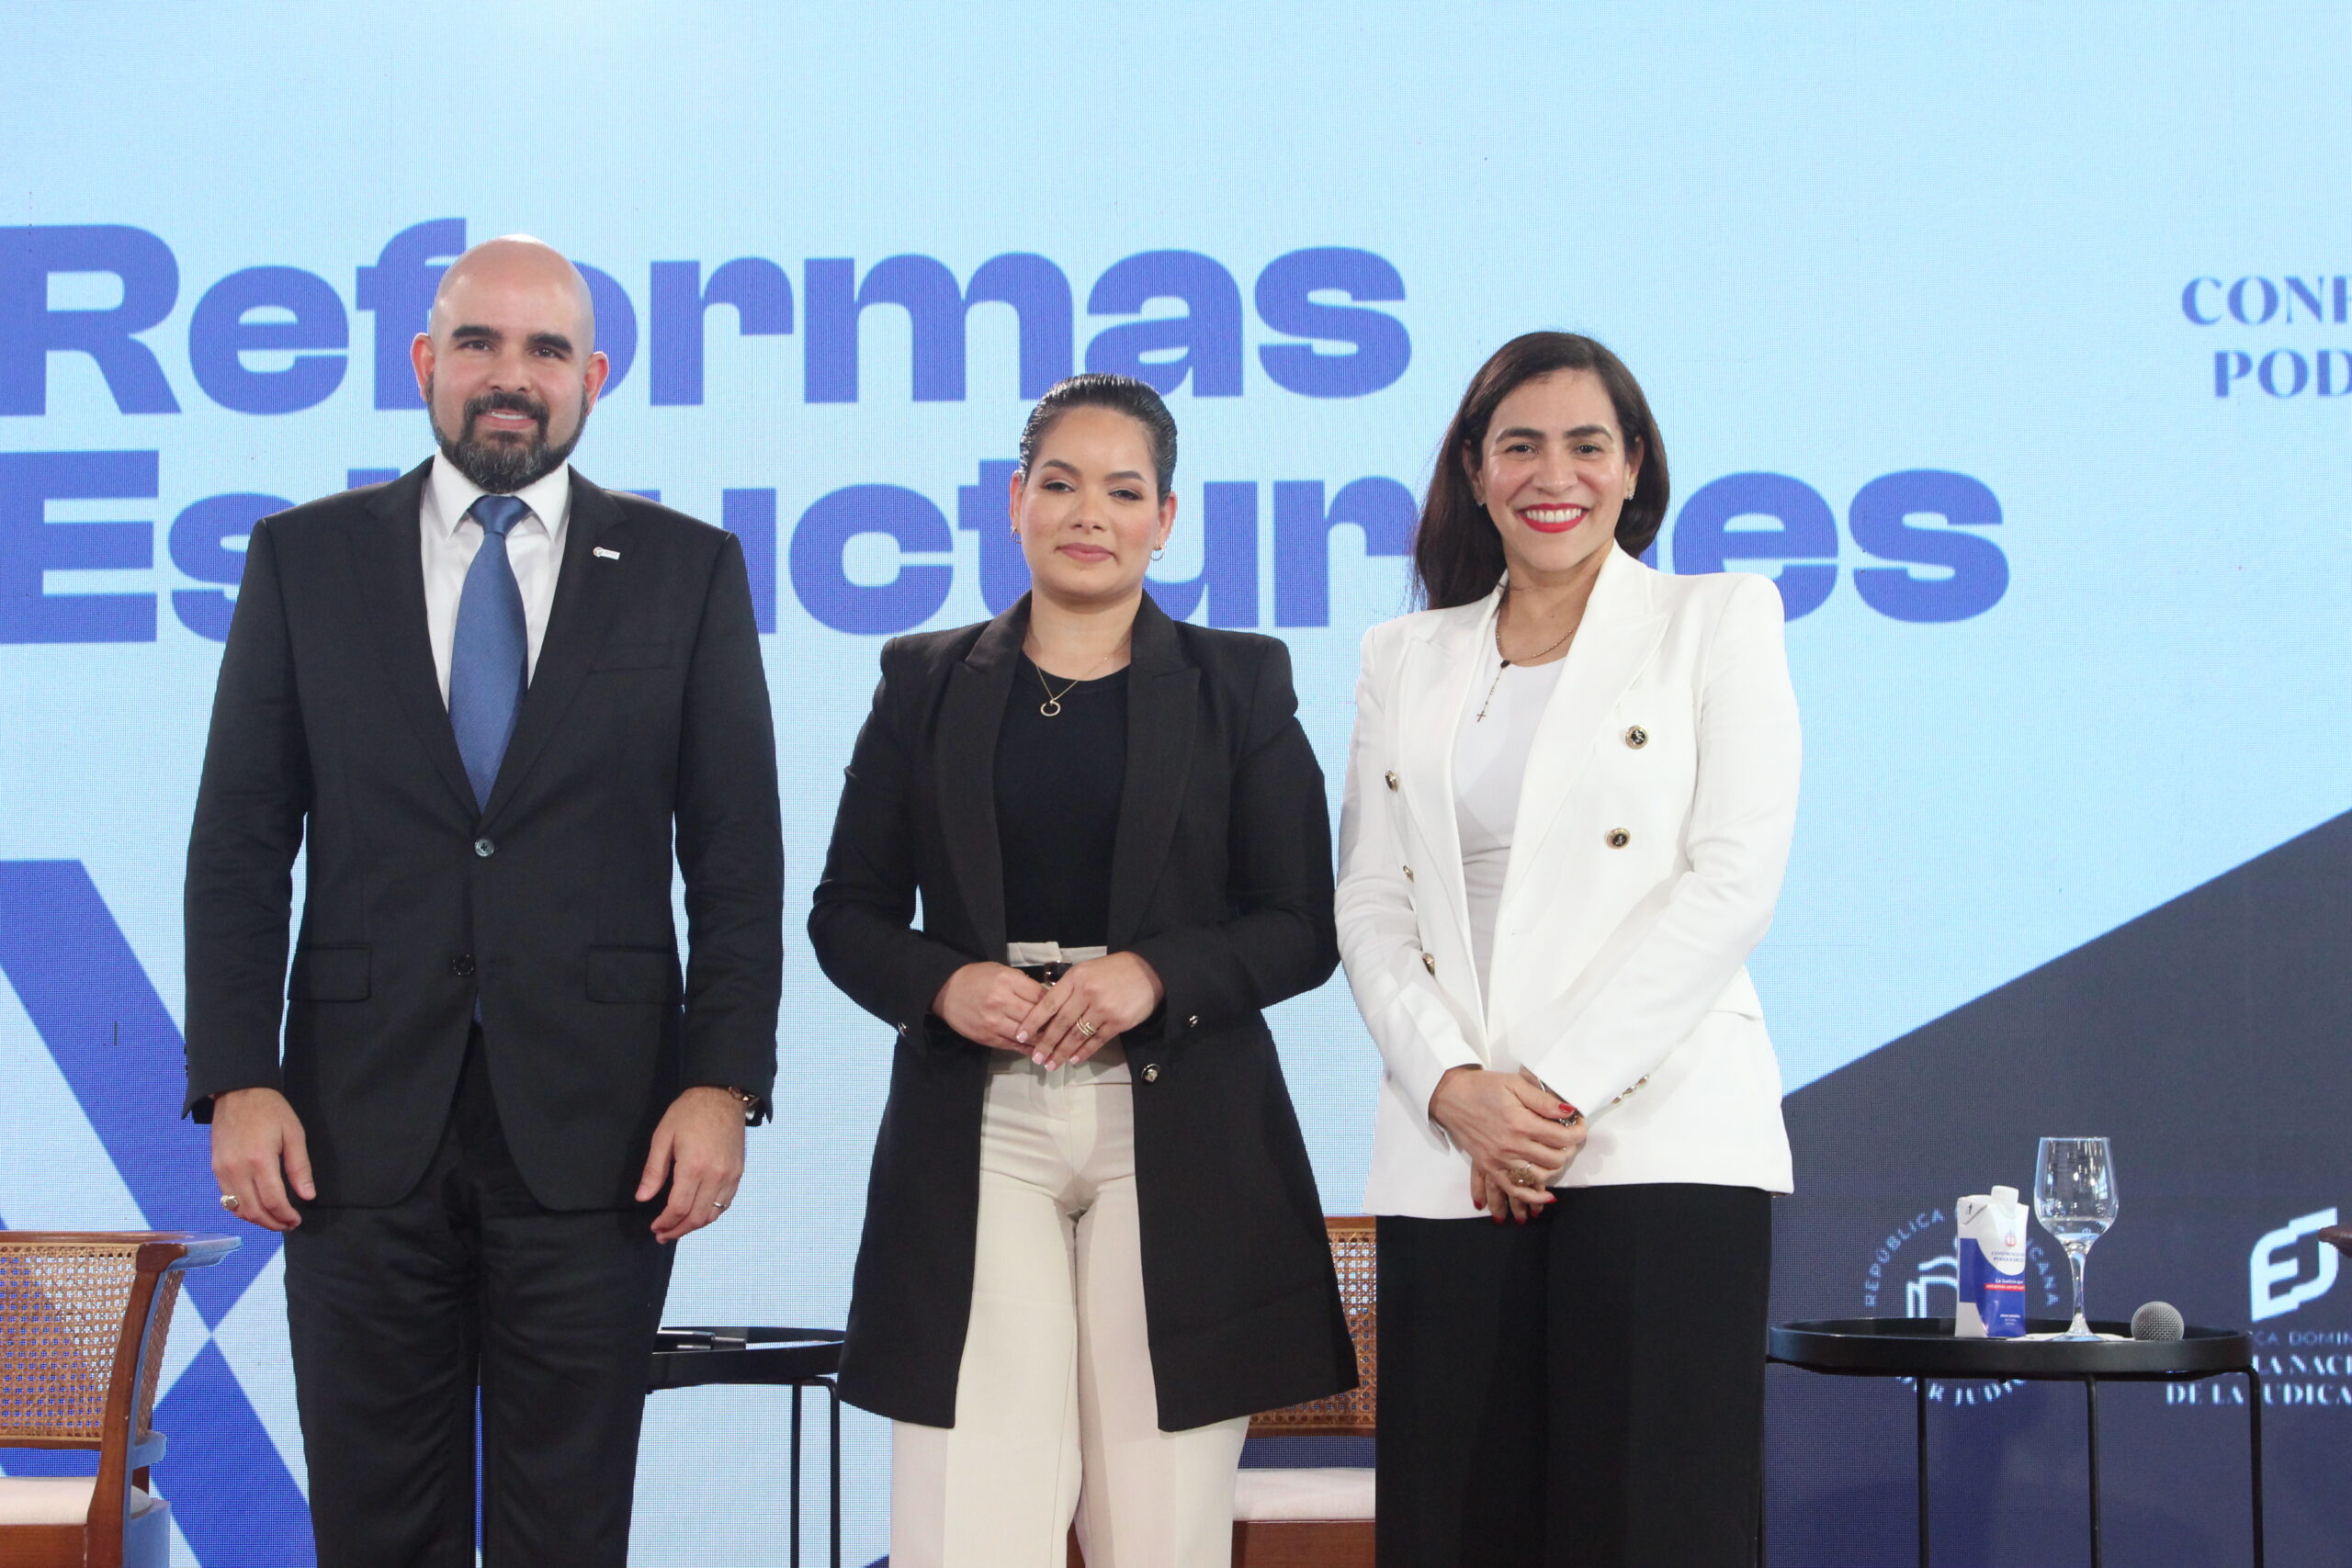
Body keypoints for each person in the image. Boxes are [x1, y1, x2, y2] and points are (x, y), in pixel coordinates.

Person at [183, 235, 783, 1567]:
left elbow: (736, 856)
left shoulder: (687, 570)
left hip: (604, 1131)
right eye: (480, 343)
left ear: (594, 378)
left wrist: (722, 1082)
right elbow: (239, 842)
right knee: (374, 1530)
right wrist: (236, 1076)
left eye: (545, 349)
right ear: (425, 362)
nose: (512, 376)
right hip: (348, 1127)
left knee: (566, 1530)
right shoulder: (303, 558)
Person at [810, 373, 1356, 1568]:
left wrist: (1154, 975)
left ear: (1167, 518)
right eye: (1060, 484)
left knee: (1158, 1526)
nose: (1088, 513)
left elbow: (1302, 923)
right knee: (969, 1520)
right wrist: (943, 986)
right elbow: (846, 913)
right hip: (980, 1119)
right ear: (1015, 500)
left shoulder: (1240, 681)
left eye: (1123, 490)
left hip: (1178, 1121)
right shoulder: (922, 681)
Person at [1336, 332, 1800, 1566]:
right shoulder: (1402, 654)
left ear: (1634, 466)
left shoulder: (1717, 618)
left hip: (1658, 1136)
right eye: (1520, 446)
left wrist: (1549, 1100)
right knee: (1457, 1525)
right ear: (1475, 471)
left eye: (1588, 445)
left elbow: (1733, 884)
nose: (1556, 475)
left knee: (1654, 1527)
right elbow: (1369, 902)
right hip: (1453, 1152)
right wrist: (1454, 1088)